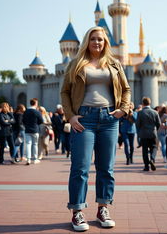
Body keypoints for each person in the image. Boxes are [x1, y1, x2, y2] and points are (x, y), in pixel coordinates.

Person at [61, 26, 131, 231]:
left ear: (106, 42)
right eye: (93, 39)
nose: (97, 43)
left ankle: (103, 208)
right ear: (87, 41)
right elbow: (65, 92)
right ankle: (78, 211)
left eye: (101, 39)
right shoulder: (76, 64)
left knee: (106, 168)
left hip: (109, 119)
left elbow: (126, 89)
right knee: (80, 168)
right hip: (84, 119)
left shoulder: (115, 64)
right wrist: (71, 116)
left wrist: (122, 110)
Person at [136, 97, 161, 171]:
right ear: (150, 103)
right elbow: (158, 123)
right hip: (153, 133)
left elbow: (137, 124)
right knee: (154, 148)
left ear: (143, 103)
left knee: (145, 150)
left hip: (143, 134)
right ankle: (152, 159)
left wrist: (140, 131)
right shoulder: (155, 112)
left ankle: (146, 166)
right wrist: (155, 129)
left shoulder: (140, 113)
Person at [23, 98, 43, 165]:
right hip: (35, 130)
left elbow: (23, 120)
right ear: (36, 103)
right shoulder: (37, 112)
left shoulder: (26, 111)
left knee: (28, 144)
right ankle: (35, 159)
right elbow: (41, 121)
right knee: (35, 144)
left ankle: (28, 159)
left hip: (27, 130)